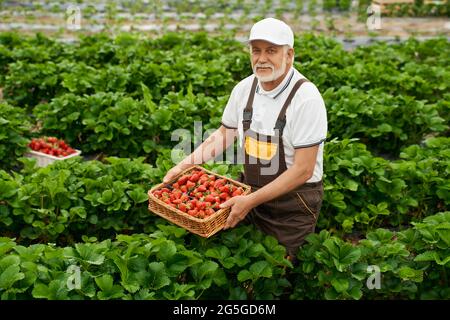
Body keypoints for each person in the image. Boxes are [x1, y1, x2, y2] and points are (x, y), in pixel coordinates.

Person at [163, 18, 327, 262]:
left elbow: (303, 170)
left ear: (289, 54)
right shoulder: (244, 89)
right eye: (256, 50)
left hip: (293, 204)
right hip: (248, 193)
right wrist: (183, 166)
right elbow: (223, 134)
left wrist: (250, 201)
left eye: (271, 51)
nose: (262, 59)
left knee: (277, 269)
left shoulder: (306, 99)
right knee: (238, 259)